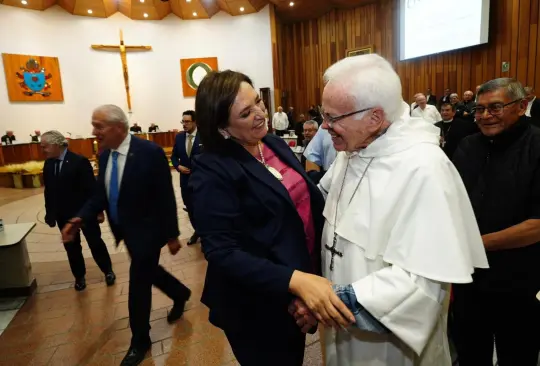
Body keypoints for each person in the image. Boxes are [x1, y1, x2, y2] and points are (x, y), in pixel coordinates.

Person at [292, 54, 488, 366]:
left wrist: (330, 303)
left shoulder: (424, 168)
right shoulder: (354, 150)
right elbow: (320, 212)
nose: (324, 127)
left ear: (375, 117)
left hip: (390, 345)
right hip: (340, 329)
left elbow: (420, 284)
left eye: (333, 118)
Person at [189, 70, 353, 366]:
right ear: (222, 126)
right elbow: (223, 252)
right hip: (255, 306)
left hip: (298, 290)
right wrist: (296, 282)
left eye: (258, 102)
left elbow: (304, 206)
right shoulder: (212, 171)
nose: (260, 114)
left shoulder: (272, 144)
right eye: (246, 112)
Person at [61, 105, 191, 366]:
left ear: (118, 127)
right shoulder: (106, 155)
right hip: (126, 231)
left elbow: (165, 196)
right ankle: (179, 292)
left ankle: (140, 341)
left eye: (99, 126)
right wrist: (80, 217)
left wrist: (172, 234)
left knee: (138, 284)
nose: (93, 131)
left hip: (148, 231)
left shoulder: (150, 153)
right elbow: (100, 194)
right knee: (149, 271)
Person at [452, 78, 540, 366]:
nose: (485, 116)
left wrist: (473, 245)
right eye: (480, 109)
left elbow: (537, 225)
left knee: (517, 356)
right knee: (469, 354)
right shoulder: (466, 146)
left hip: (519, 280)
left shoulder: (537, 146)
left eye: (496, 107)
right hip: (469, 279)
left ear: (522, 105)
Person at [42, 130, 115, 291]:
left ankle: (107, 270)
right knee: (72, 248)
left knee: (95, 243)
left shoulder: (79, 161)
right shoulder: (48, 164)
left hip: (84, 213)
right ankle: (79, 277)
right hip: (63, 215)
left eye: (45, 146)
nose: (43, 150)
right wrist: (50, 213)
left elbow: (91, 188)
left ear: (56, 145)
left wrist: (98, 211)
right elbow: (49, 191)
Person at [171, 110, 201, 245]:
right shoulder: (179, 137)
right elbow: (173, 157)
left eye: (187, 121)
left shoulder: (204, 137)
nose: (184, 124)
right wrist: (178, 166)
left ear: (195, 122)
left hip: (201, 180)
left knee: (201, 208)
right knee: (190, 207)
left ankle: (205, 236)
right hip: (185, 181)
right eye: (183, 121)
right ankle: (197, 231)